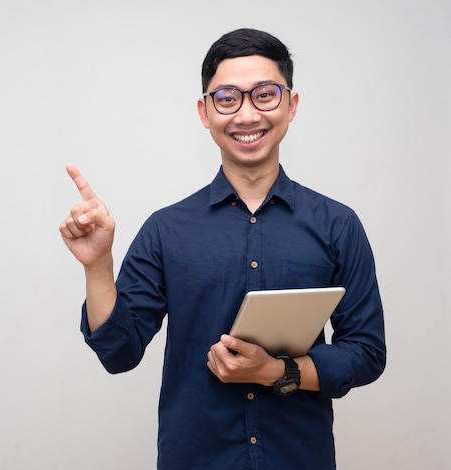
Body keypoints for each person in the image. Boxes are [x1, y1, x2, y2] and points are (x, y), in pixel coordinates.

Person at [59, 27, 386, 470]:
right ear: (205, 111)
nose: (247, 115)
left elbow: (366, 352)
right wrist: (98, 266)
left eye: (265, 94)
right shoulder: (166, 229)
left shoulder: (337, 225)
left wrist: (276, 372)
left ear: (291, 105)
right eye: (228, 98)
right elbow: (118, 353)